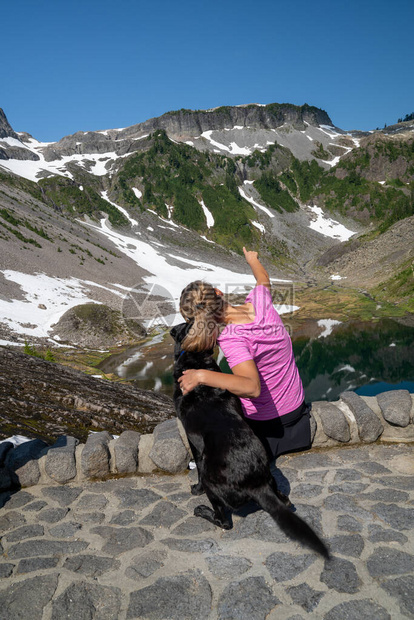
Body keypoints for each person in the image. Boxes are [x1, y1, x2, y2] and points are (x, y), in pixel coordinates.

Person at [177, 247, 311, 461]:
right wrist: (252, 259)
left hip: (267, 425)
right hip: (297, 409)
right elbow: (263, 279)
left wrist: (201, 376)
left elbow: (251, 387)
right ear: (218, 292)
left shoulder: (232, 339)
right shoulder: (260, 301)